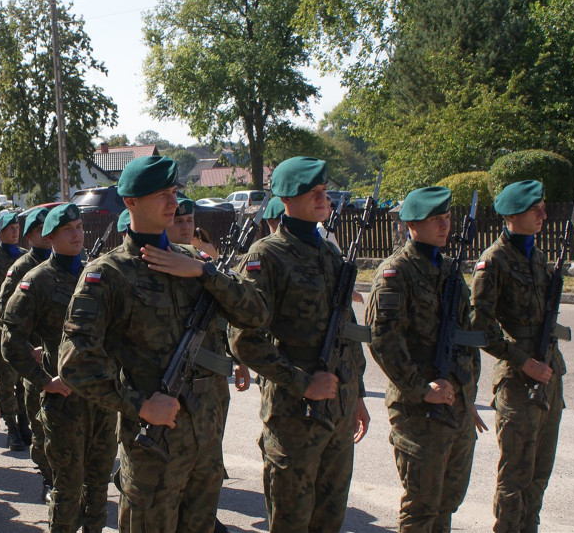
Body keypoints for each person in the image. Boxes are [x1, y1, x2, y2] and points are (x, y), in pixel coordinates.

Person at [59, 156, 269, 531]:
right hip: (153, 450)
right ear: (131, 203)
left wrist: (206, 273)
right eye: (162, 195)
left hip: (206, 445)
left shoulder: (196, 264)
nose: (173, 203)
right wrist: (139, 404)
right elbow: (74, 363)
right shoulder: (108, 274)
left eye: (174, 193)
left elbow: (256, 314)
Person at [229, 156, 371, 533]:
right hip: (295, 414)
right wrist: (302, 382)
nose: (324, 197)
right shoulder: (266, 256)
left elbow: (347, 329)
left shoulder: (329, 253)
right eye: (314, 191)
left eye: (324, 190)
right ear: (289, 198)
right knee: (291, 521)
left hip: (338, 410)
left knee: (330, 519)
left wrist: (356, 394)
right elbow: (242, 339)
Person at [367, 186, 487, 532]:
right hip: (419, 410)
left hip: (456, 405)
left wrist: (468, 396)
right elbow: (383, 341)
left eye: (447, 218)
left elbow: (463, 339)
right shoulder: (396, 273)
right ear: (411, 224)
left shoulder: (449, 270)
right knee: (422, 507)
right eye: (435, 219)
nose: (444, 225)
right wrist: (422, 389)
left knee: (447, 503)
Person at [3, 203, 117, 533]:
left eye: (80, 227)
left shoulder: (97, 274)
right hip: (65, 402)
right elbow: (10, 339)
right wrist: (43, 381)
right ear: (50, 237)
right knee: (67, 489)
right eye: (69, 230)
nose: (78, 234)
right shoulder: (36, 281)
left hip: (102, 399)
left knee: (97, 490)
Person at [471, 180, 570, 533]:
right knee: (515, 476)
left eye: (542, 206)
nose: (543, 213)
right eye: (534, 209)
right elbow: (479, 323)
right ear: (512, 215)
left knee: (540, 473)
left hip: (549, 374)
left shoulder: (539, 257)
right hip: (519, 379)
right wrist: (522, 359)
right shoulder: (493, 260)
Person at [167, 199, 250, 533]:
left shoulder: (207, 264)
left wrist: (239, 361)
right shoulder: (164, 267)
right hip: (178, 374)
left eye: (189, 220)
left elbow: (235, 317)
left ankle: (205, 514)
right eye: (179, 220)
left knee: (210, 448)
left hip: (212, 371)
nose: (186, 226)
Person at [0, 206, 53, 496]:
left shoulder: (67, 263)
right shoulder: (20, 267)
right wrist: (27, 347)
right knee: (35, 412)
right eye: (41, 230)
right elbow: (3, 311)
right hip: (31, 353)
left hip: (59, 355)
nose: (47, 234)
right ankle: (46, 474)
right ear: (31, 235)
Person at [0, 211, 29, 452]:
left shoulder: (24, 257)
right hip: (2, 328)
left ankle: (24, 422)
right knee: (8, 380)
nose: (15, 231)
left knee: (24, 378)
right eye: (9, 227)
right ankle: (11, 427)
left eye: (17, 226)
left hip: (24, 327)